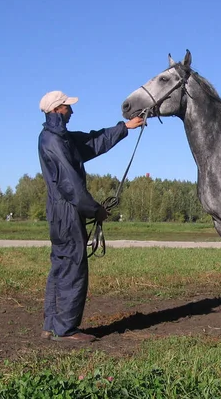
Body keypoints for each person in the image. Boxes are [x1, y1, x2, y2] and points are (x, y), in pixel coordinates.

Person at [38, 90, 144, 342]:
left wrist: (126, 128)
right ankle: (65, 330)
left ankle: (51, 325)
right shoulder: (54, 142)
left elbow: (94, 142)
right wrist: (94, 209)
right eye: (67, 107)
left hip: (59, 214)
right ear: (56, 110)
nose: (71, 111)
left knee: (61, 266)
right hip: (67, 214)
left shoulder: (59, 137)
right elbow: (70, 185)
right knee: (73, 267)